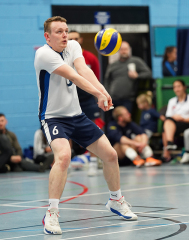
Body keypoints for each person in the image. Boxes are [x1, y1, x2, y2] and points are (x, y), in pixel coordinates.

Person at [34, 16, 137, 235]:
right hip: (53, 117)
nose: (65, 35)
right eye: (59, 31)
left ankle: (116, 200)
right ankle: (51, 214)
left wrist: (103, 92)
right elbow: (73, 75)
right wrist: (98, 93)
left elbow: (85, 71)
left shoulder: (73, 46)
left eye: (66, 30)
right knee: (63, 157)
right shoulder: (43, 55)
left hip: (76, 115)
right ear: (47, 36)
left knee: (110, 155)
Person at [68, 30, 102, 176]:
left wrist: (99, 94)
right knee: (67, 131)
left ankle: (93, 163)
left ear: (80, 39)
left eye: (76, 38)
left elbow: (96, 78)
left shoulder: (90, 58)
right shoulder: (63, 58)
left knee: (92, 130)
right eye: (71, 38)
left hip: (88, 100)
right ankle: (67, 164)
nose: (74, 40)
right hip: (70, 99)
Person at [104, 41, 152, 113]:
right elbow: (107, 81)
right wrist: (106, 95)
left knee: (125, 120)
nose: (124, 51)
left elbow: (149, 73)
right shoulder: (112, 65)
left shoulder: (136, 61)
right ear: (118, 51)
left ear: (129, 50)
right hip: (113, 99)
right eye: (122, 49)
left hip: (128, 99)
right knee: (113, 121)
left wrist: (137, 76)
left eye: (126, 49)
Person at [162, 80, 189, 161]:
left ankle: (167, 150)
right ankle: (169, 144)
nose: (177, 89)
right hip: (174, 125)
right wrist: (175, 118)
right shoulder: (171, 101)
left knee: (166, 127)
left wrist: (183, 119)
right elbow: (168, 117)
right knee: (166, 124)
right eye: (174, 87)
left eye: (179, 86)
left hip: (188, 124)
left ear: (184, 87)